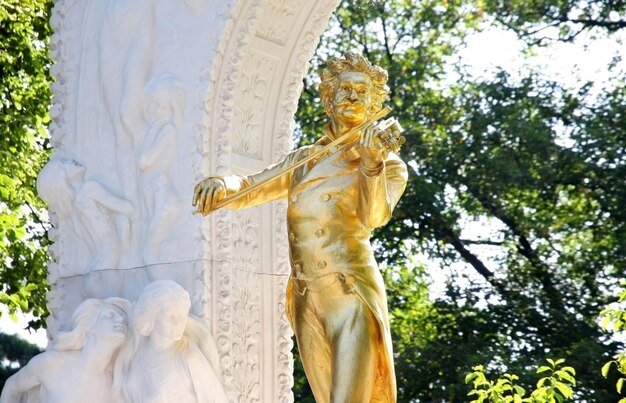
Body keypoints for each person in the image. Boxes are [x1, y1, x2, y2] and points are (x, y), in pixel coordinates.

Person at [193, 52, 408, 403]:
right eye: (345, 89)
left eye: (363, 92)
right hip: (308, 298)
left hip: (349, 292)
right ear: (329, 98)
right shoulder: (304, 159)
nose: (353, 96)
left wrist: (371, 166)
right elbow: (253, 186)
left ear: (374, 105)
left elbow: (374, 217)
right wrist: (222, 185)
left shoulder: (388, 164)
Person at [0, 298, 131, 403]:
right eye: (109, 315)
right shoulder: (53, 363)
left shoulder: (118, 383)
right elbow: (12, 387)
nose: (121, 320)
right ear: (88, 327)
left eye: (123, 317)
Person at [115, 280, 227, 403]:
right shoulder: (136, 357)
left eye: (182, 317)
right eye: (171, 317)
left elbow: (217, 399)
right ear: (151, 315)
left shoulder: (188, 357)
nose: (178, 323)